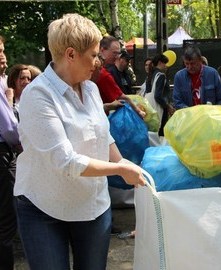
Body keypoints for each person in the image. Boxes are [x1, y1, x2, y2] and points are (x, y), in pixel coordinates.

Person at [14, 13, 145, 270]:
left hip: (92, 207)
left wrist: (124, 163)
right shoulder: (38, 95)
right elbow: (65, 161)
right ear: (71, 54)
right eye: (94, 55)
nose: (98, 62)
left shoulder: (91, 89)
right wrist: (120, 170)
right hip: (44, 209)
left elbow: (103, 136)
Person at [0, 34, 22, 270]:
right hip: (3, 155)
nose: (3, 55)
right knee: (6, 222)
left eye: (3, 50)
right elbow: (8, 128)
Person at [95, 36, 145, 118]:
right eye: (114, 53)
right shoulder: (103, 74)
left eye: (118, 53)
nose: (117, 56)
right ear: (102, 50)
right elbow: (122, 97)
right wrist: (138, 111)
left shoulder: (104, 72)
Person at [173, 45, 221, 109]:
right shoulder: (179, 77)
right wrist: (189, 111)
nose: (189, 67)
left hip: (209, 116)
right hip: (188, 117)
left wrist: (214, 110)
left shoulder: (212, 74)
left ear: (200, 60)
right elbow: (177, 102)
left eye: (192, 63)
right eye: (187, 64)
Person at [145, 54, 175, 136]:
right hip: (159, 109)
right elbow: (158, 95)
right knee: (161, 133)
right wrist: (167, 106)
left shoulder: (150, 75)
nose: (166, 66)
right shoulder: (161, 76)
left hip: (149, 108)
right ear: (160, 63)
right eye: (165, 63)